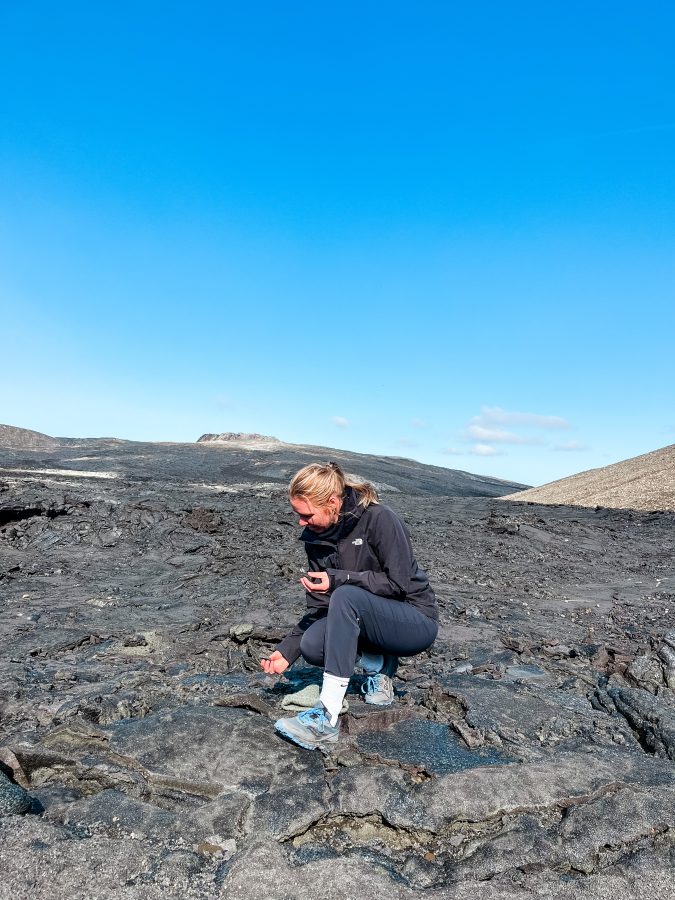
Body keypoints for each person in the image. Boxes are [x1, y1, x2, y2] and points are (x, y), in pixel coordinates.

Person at [261, 462, 438, 750]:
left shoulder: (380, 519)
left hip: (414, 620)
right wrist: (287, 650)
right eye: (298, 515)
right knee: (312, 645)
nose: (301, 523)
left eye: (306, 515)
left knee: (345, 596)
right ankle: (378, 664)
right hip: (366, 620)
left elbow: (399, 584)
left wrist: (339, 579)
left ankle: (326, 716)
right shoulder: (316, 539)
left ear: (332, 503)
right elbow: (321, 607)